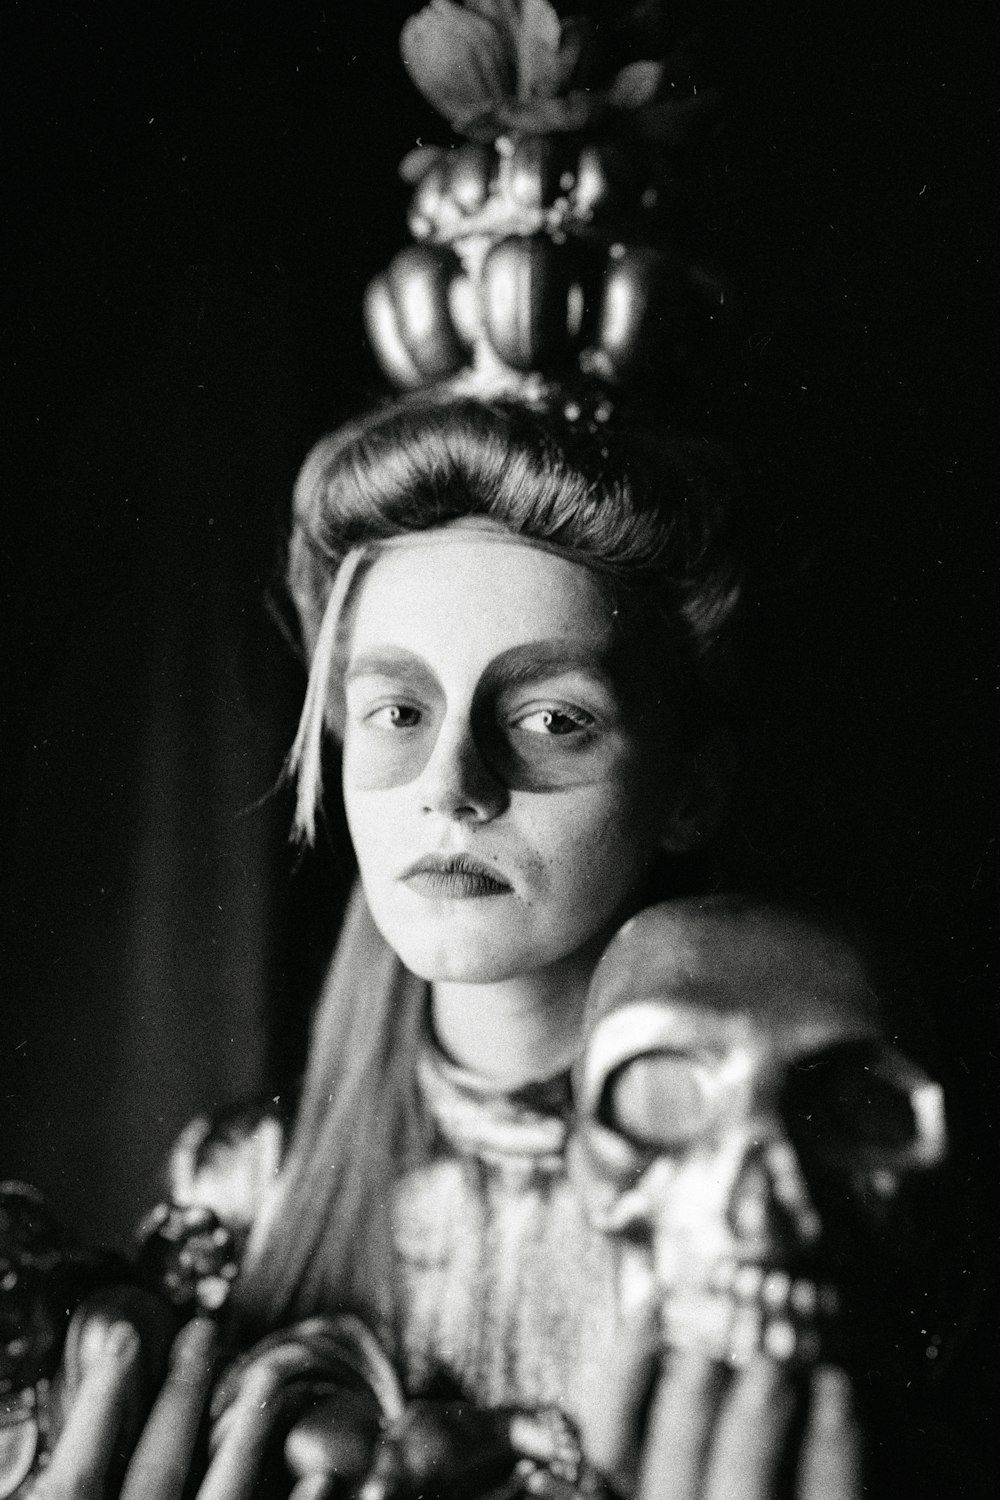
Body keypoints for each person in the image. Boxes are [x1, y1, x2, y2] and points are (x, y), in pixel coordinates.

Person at [28, 392, 883, 1500]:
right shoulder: (242, 1188)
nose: (452, 789)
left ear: (691, 789)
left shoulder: (765, 1228)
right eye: (397, 711)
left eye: (548, 719)